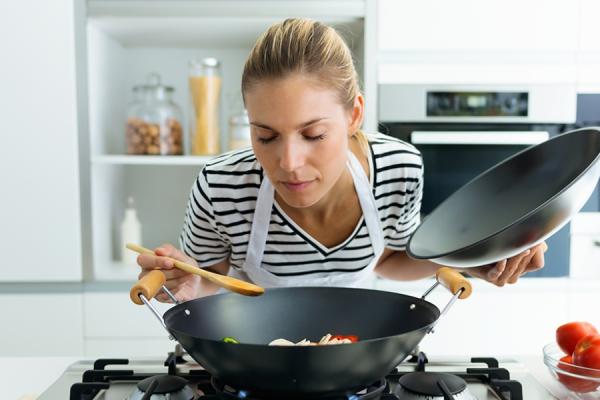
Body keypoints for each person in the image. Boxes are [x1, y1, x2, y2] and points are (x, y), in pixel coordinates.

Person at [137, 18, 547, 302]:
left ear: (354, 115)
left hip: (353, 347)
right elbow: (210, 281)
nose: (289, 162)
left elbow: (391, 259)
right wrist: (185, 283)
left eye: (313, 134)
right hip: (252, 356)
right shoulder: (221, 185)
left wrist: (475, 260)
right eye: (265, 135)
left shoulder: (398, 168)